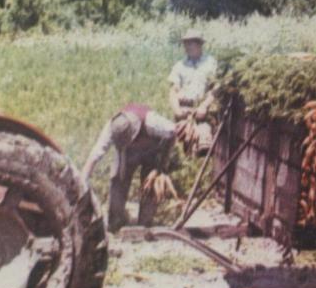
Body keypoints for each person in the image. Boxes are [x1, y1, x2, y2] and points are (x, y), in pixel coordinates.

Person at [82, 104, 176, 232]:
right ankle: (115, 223)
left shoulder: (151, 121)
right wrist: (83, 179)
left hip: (153, 151)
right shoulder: (113, 127)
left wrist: (162, 166)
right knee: (117, 181)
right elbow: (96, 153)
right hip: (127, 153)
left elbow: (173, 131)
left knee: (150, 185)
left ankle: (145, 225)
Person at [169, 30, 218, 154]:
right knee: (180, 141)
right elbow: (173, 91)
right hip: (185, 111)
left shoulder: (211, 63)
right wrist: (178, 111)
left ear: (199, 44)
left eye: (191, 43)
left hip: (204, 111)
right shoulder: (179, 66)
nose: (187, 47)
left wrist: (204, 106)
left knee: (204, 143)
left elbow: (216, 88)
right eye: (186, 44)